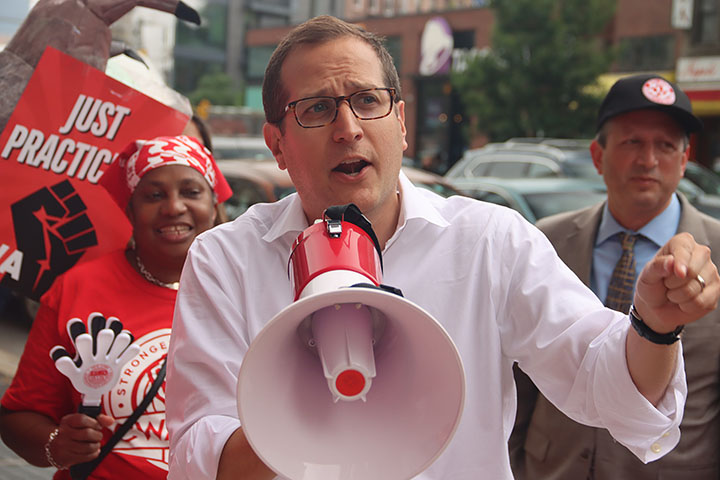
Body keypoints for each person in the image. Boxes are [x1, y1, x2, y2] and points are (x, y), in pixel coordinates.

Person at [165, 16, 719, 480]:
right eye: (316, 109)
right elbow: (198, 453)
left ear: (402, 123)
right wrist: (320, 407)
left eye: (367, 101)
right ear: (277, 145)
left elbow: (602, 380)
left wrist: (654, 326)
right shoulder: (225, 260)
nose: (348, 128)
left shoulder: (489, 241)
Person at [510, 75, 720, 479]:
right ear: (598, 155)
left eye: (665, 145)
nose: (648, 160)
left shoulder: (714, 254)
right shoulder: (547, 242)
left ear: (684, 160)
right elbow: (516, 379)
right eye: (632, 142)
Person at [0, 135, 231, 479]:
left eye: (191, 192)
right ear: (129, 210)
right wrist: (57, 444)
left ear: (213, 205)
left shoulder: (244, 288)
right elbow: (18, 416)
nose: (173, 207)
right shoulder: (81, 287)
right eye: (154, 195)